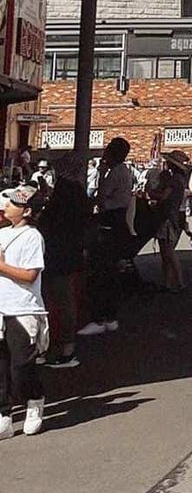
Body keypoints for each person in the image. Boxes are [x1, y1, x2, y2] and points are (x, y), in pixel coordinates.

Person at [0, 186, 47, 439]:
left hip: (22, 308)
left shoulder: (32, 237)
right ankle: (4, 414)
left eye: (13, 204)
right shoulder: (2, 233)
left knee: (21, 365)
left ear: (27, 211)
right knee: (1, 365)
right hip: (0, 306)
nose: (6, 206)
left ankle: (34, 400)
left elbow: (30, 275)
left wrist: (1, 266)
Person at [36, 156, 90, 368]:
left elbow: (51, 218)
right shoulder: (78, 191)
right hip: (69, 251)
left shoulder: (65, 189)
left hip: (57, 251)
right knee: (63, 299)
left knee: (57, 299)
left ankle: (62, 347)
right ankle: (63, 346)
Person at [80, 136, 133, 337]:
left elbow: (102, 197)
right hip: (118, 221)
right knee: (110, 271)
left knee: (101, 269)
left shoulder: (115, 173)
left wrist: (101, 174)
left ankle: (100, 317)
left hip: (110, 220)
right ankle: (110, 316)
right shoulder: (125, 172)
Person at [146, 150, 189, 294]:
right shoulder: (180, 180)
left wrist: (151, 192)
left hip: (168, 216)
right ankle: (168, 282)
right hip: (173, 214)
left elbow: (164, 197)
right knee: (166, 252)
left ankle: (179, 281)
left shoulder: (174, 180)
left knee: (168, 251)